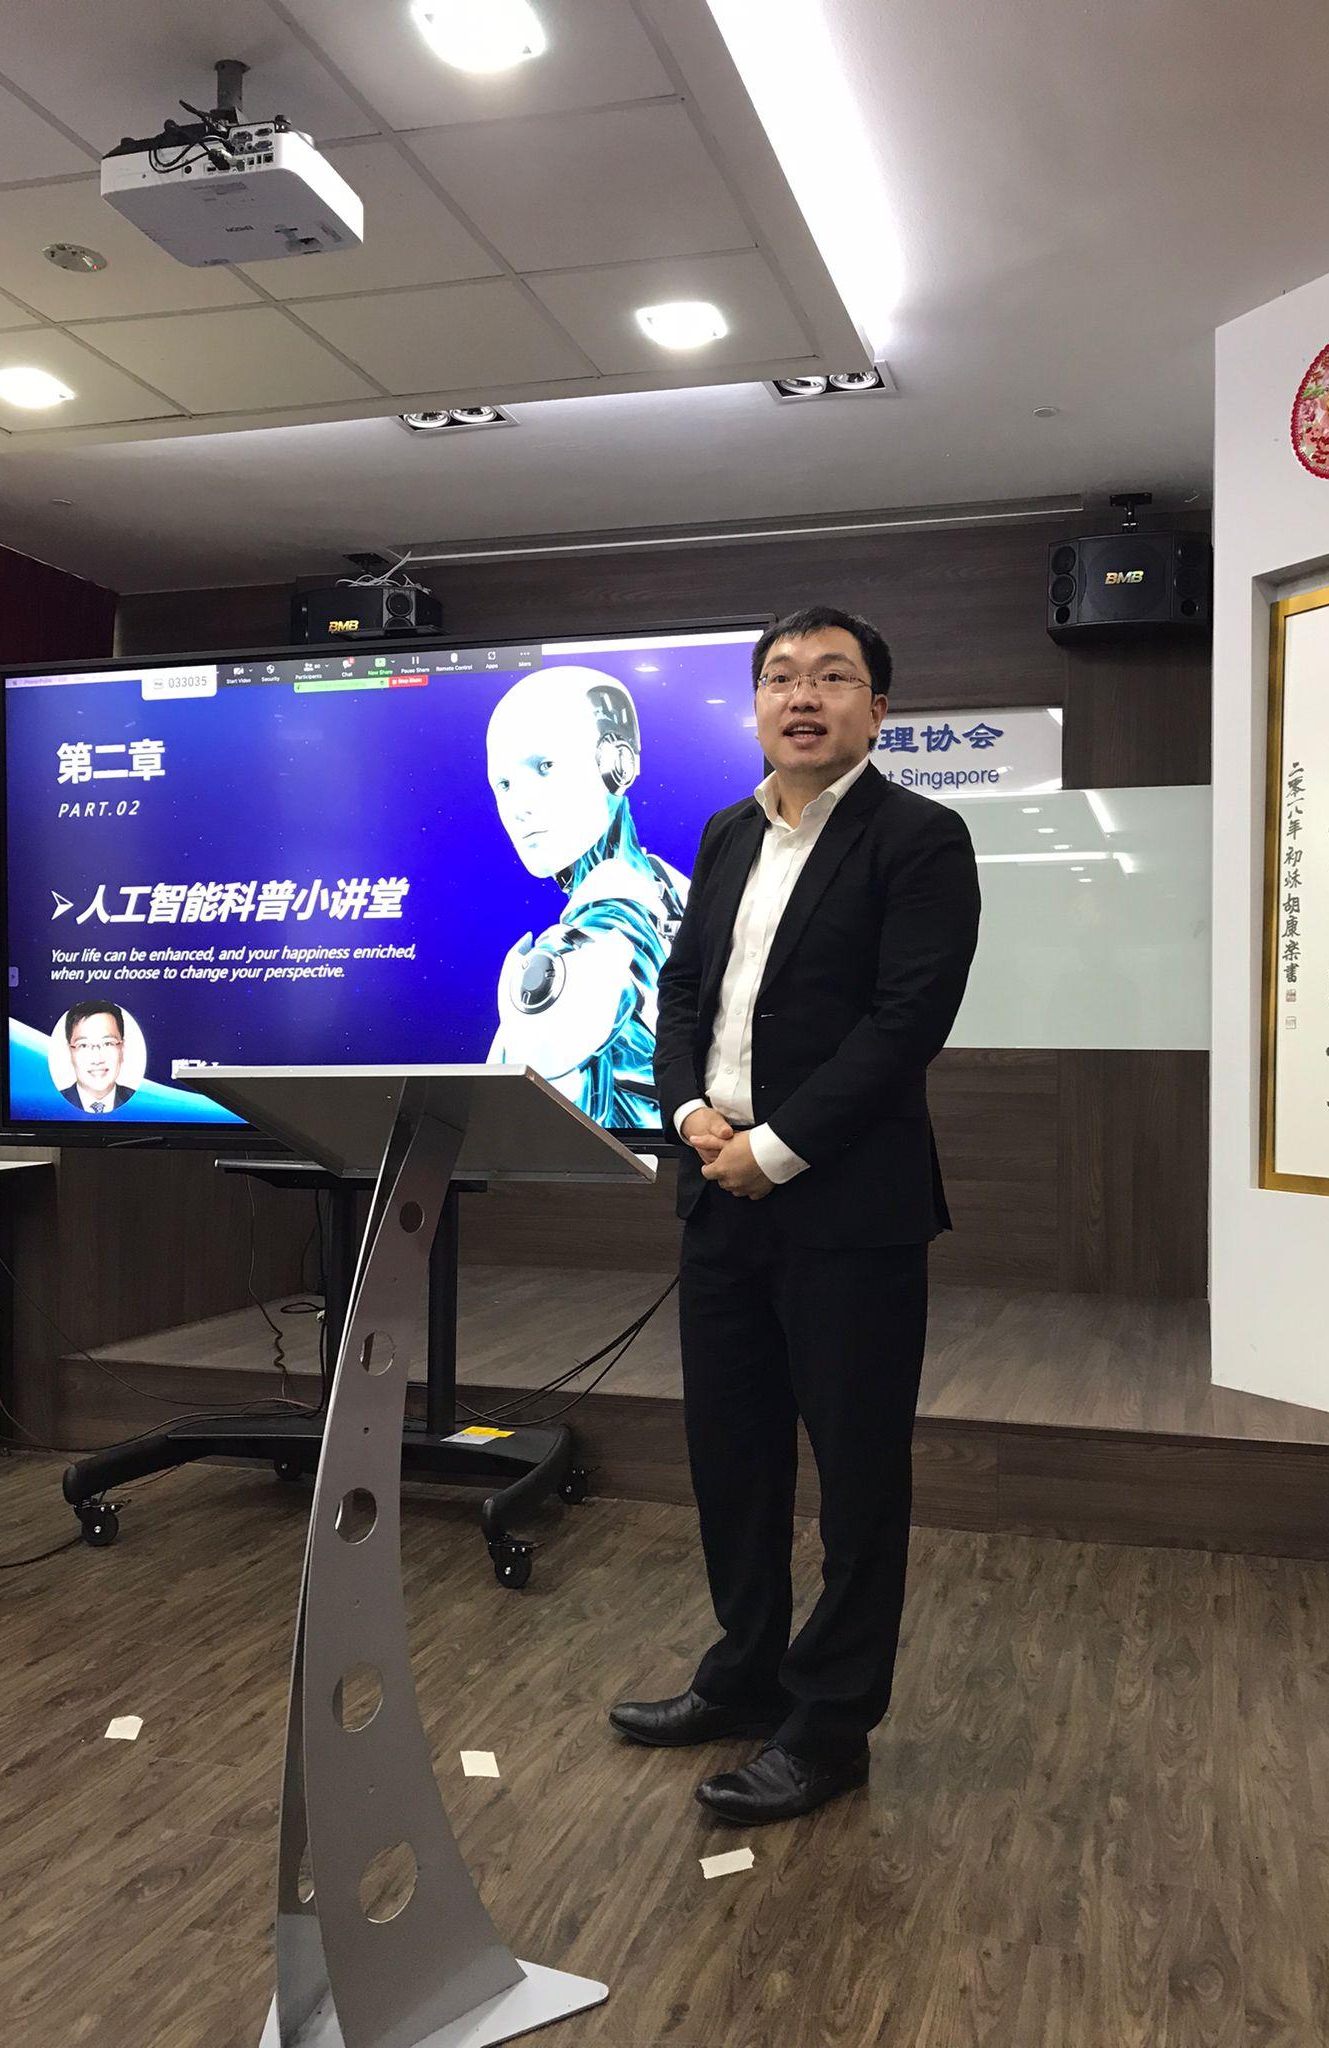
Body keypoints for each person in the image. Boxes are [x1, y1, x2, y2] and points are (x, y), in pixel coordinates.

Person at [609, 605, 981, 1824]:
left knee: (858, 1478)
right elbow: (681, 993)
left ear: (879, 708)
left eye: (832, 676)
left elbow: (905, 1022)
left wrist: (774, 1148)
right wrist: (685, 1110)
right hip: (719, 1196)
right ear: (756, 704)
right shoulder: (725, 831)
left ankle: (828, 1727)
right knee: (734, 1459)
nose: (802, 695)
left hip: (850, 1212)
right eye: (780, 676)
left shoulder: (920, 838)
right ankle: (745, 1673)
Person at [485, 666, 689, 1131]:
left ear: (617, 763)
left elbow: (503, 1127)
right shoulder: (670, 889)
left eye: (544, 767)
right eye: (504, 784)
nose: (519, 807)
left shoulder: (589, 944)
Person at [59, 1000, 135, 1113]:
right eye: (83, 1045)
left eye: (107, 1043)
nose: (97, 1059)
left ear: (122, 1049)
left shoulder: (143, 1103)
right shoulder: (51, 1105)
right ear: (70, 1052)